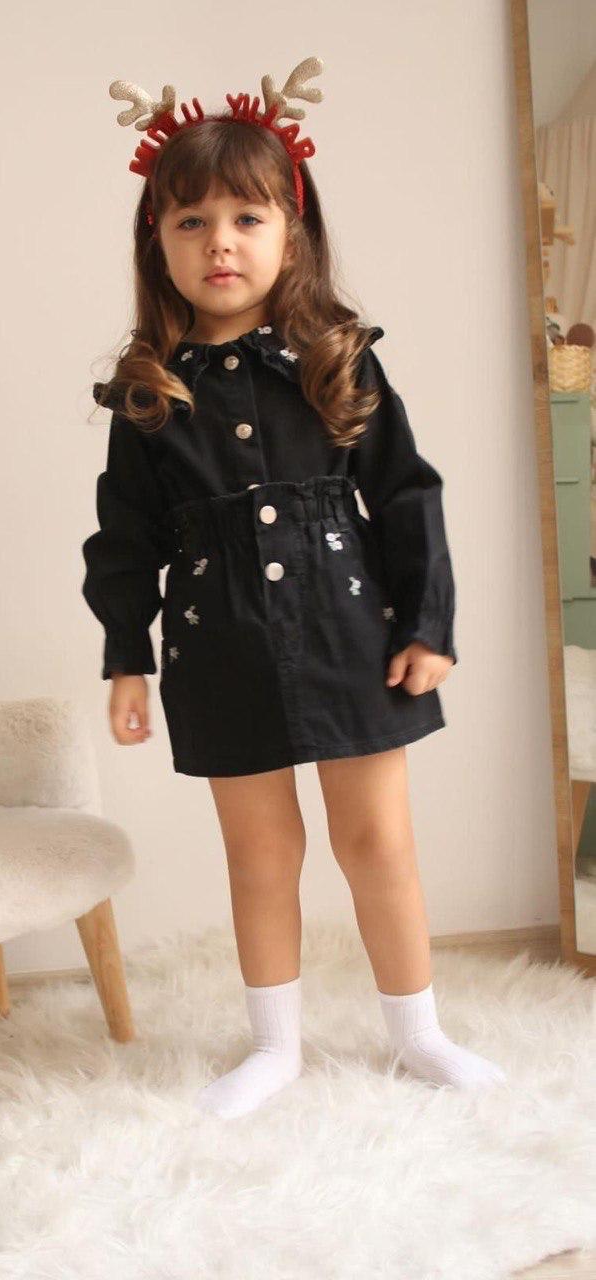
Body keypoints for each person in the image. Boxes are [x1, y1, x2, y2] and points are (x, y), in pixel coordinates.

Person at [81, 59, 507, 1119]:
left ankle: (418, 1033)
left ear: (291, 233)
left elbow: (406, 495)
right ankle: (274, 1046)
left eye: (245, 217)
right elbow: (123, 539)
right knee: (261, 851)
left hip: (352, 634)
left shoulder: (336, 360)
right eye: (190, 222)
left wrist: (429, 625)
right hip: (217, 643)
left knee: (378, 842)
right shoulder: (148, 395)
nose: (219, 242)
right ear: (156, 242)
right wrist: (126, 656)